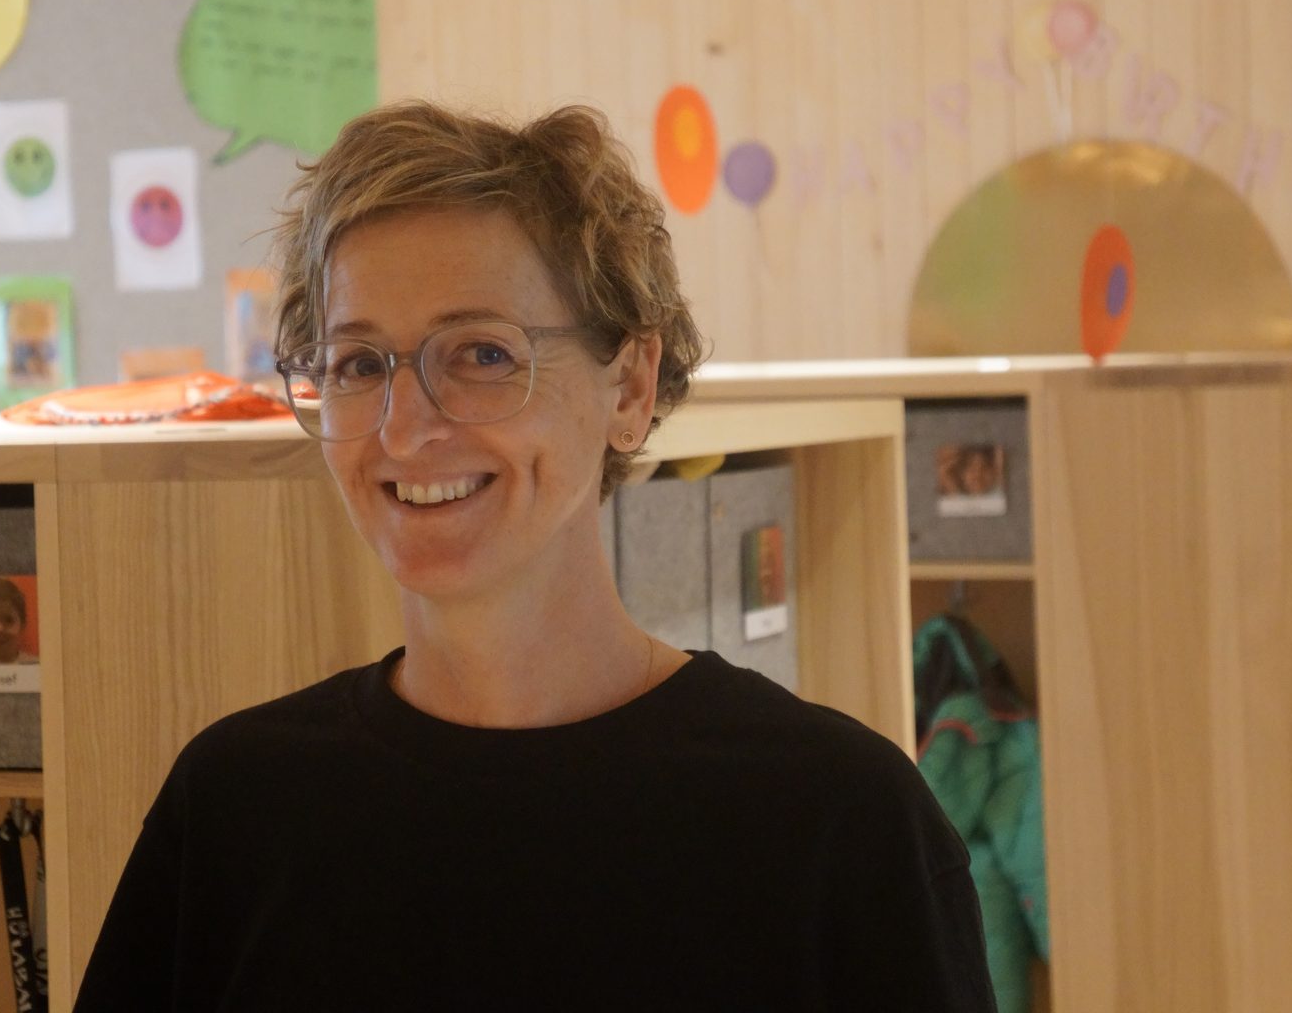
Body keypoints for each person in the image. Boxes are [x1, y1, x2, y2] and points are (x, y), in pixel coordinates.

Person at [74, 103, 996, 1010]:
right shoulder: (237, 808)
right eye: (358, 364)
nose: (406, 429)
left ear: (629, 388)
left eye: (480, 353)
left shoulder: (839, 823)